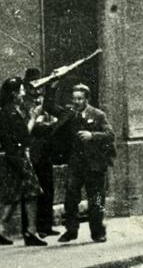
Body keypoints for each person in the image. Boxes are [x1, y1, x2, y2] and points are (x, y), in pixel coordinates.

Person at [47, 83, 116, 243]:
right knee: (71, 196)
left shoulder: (98, 114)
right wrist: (53, 86)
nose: (76, 102)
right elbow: (49, 106)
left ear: (87, 99)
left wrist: (92, 135)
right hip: (76, 163)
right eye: (74, 98)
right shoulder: (69, 113)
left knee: (96, 198)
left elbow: (110, 134)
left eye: (80, 98)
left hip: (94, 164)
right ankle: (71, 230)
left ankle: (98, 232)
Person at [0, 77, 47, 246]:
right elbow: (24, 135)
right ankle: (30, 231)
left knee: (15, 195)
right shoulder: (12, 113)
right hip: (18, 157)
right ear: (14, 94)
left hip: (12, 157)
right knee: (32, 192)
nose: (24, 93)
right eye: (21, 90)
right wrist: (33, 118)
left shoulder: (7, 111)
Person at [22, 69, 60, 238]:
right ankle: (32, 227)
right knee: (33, 191)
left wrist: (52, 88)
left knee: (47, 187)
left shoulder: (40, 100)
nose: (37, 88)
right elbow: (28, 127)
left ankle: (46, 225)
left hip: (45, 148)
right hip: (32, 149)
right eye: (34, 84)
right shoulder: (24, 102)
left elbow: (49, 110)